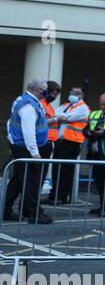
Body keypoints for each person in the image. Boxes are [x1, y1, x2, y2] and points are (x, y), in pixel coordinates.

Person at [3, 78, 53, 223]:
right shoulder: (28, 106)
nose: (47, 91)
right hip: (26, 148)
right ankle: (32, 213)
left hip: (22, 147)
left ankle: (6, 209)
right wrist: (35, 153)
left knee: (19, 180)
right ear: (37, 90)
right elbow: (28, 131)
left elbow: (10, 122)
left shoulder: (24, 100)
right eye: (45, 88)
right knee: (32, 181)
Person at [50, 84, 90, 204]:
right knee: (56, 170)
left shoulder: (83, 108)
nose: (73, 95)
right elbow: (54, 114)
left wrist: (60, 117)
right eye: (72, 92)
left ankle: (62, 196)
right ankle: (53, 195)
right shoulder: (67, 105)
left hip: (72, 142)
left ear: (82, 95)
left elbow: (68, 117)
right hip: (60, 141)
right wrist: (59, 117)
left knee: (66, 171)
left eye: (76, 93)